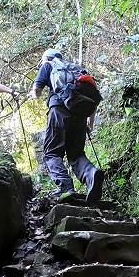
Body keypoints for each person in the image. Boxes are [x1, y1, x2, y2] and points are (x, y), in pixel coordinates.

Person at [27, 48, 104, 201]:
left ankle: (66, 188)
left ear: (47, 58)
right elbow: (92, 97)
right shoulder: (78, 69)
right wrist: (90, 123)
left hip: (59, 111)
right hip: (81, 114)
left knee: (51, 153)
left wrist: (32, 95)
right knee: (76, 154)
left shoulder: (48, 65)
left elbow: (37, 91)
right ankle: (90, 174)